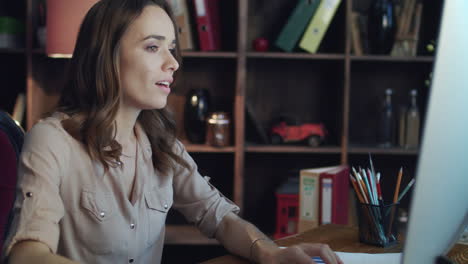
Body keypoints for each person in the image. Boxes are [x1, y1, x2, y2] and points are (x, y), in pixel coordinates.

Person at [1, 0, 343, 263]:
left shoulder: (162, 143)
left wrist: (269, 252)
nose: (173, 62)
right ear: (107, 56)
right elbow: (27, 251)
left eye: (171, 48)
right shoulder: (52, 139)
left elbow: (218, 216)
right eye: (153, 47)